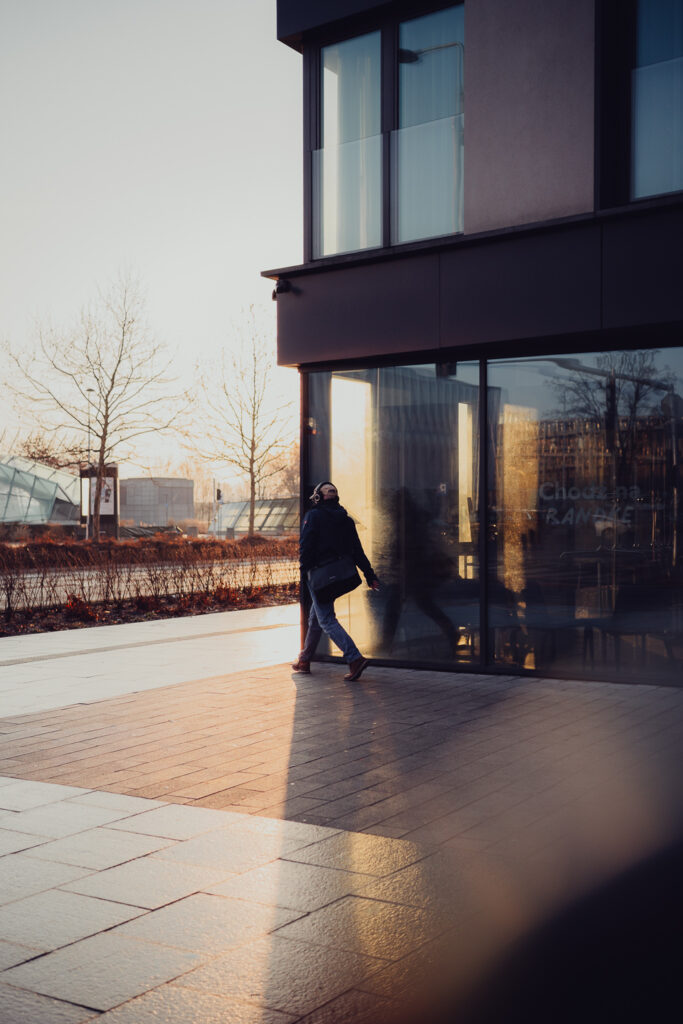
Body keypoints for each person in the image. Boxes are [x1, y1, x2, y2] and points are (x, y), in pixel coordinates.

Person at [292, 480, 379, 681]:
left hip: (320, 576)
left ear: (317, 497)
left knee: (326, 619)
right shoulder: (346, 519)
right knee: (316, 617)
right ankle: (304, 660)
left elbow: (305, 549)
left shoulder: (312, 516)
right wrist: (369, 575)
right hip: (341, 575)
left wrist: (305, 575)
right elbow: (357, 550)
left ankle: (354, 658)